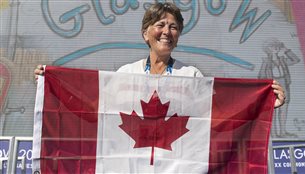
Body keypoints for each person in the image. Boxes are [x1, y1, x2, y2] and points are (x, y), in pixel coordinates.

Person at [34, 2, 285, 108]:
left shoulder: (191, 75)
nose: (167, 31)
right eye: (160, 25)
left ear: (178, 36)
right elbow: (94, 107)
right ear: (146, 34)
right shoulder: (126, 74)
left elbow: (218, 112)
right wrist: (52, 85)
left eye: (174, 27)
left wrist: (262, 104)